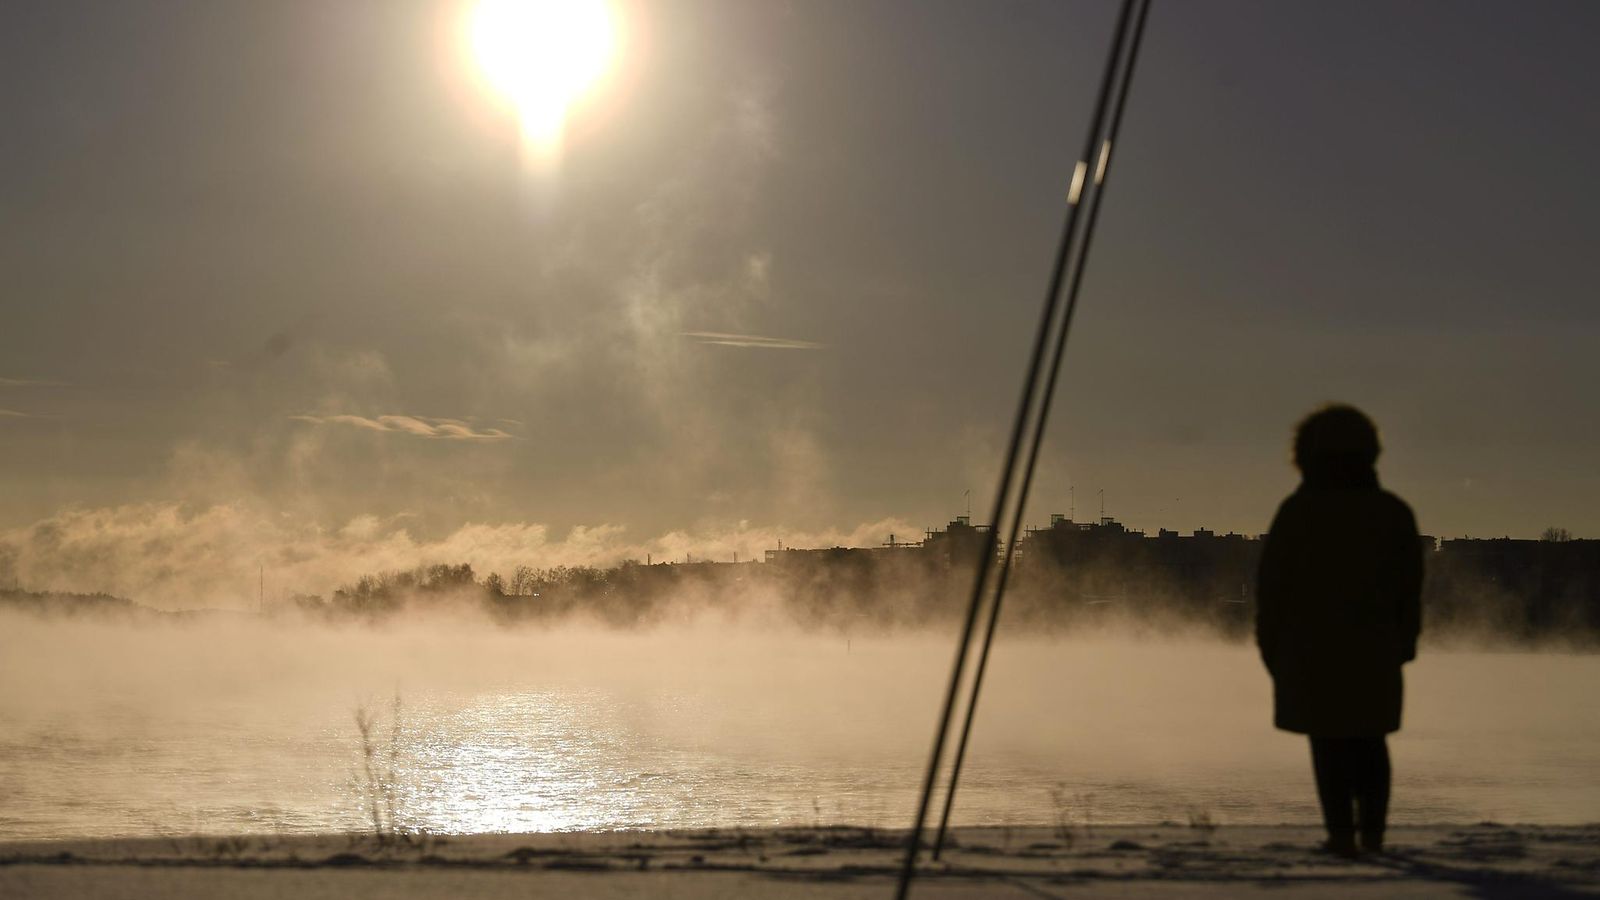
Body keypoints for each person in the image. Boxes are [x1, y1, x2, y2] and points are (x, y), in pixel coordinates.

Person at [1255, 404, 1423, 857]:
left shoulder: (1298, 512)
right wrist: (1403, 642)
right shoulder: (1392, 513)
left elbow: (1272, 589)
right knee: (1370, 741)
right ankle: (1373, 836)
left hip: (1311, 651)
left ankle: (1341, 837)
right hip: (1374, 649)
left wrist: (1272, 649)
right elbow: (1411, 586)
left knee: (1327, 742)